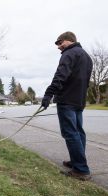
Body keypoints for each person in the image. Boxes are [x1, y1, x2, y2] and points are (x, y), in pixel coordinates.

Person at [41, 31, 93, 181]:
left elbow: (60, 75)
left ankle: (81, 170)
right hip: (79, 101)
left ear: (69, 40)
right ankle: (77, 161)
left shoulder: (69, 54)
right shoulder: (86, 57)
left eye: (60, 42)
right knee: (78, 133)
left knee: (71, 133)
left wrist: (48, 94)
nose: (58, 47)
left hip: (67, 100)